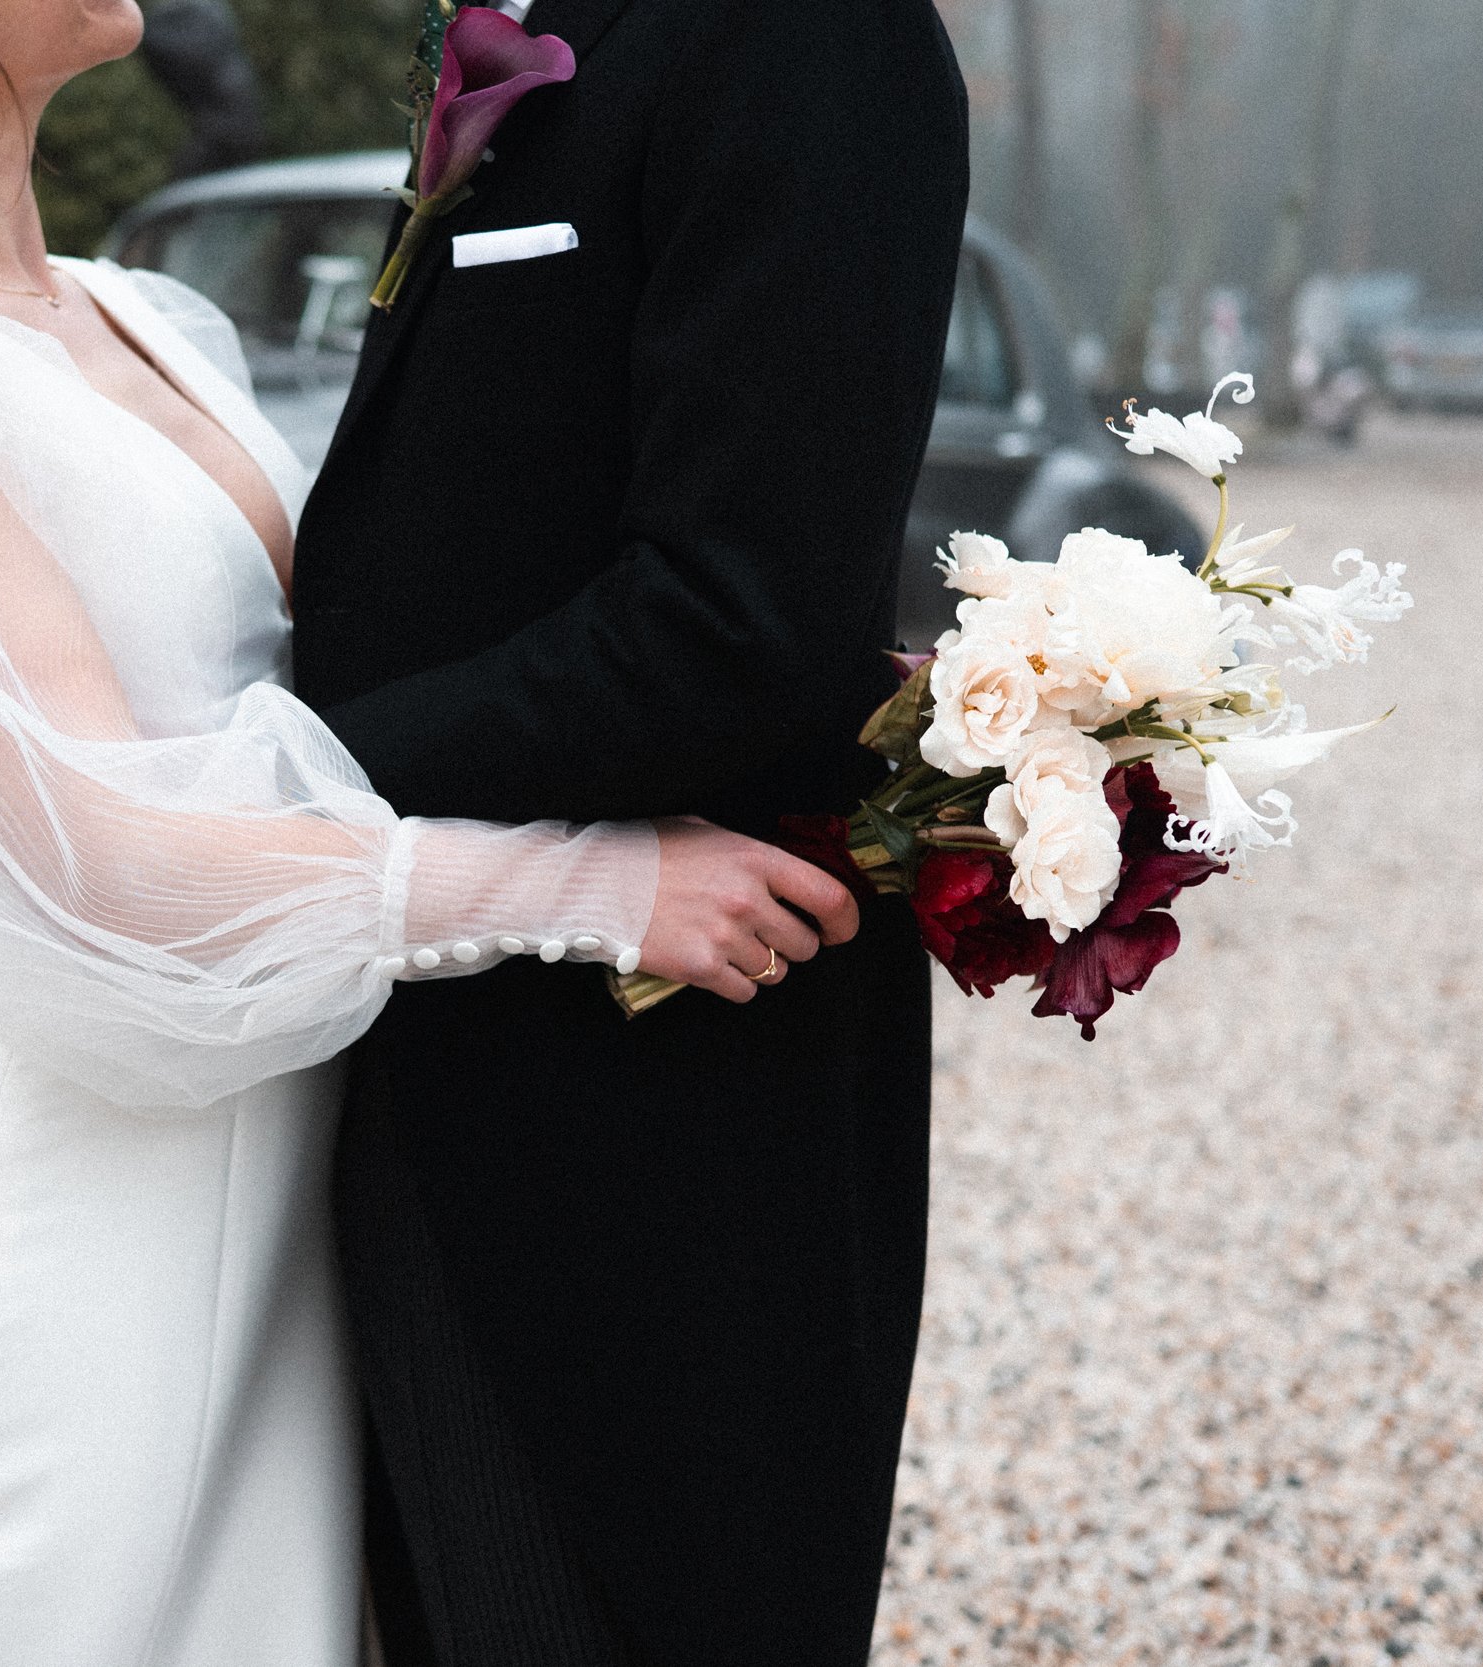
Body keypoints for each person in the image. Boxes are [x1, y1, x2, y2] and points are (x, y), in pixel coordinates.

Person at [0, 0, 860, 1663]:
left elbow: (341, 670)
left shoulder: (126, 311)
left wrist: (846, 691)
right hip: (59, 1180)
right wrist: (585, 886)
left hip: (274, 1140)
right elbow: (87, 858)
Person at [291, 2, 971, 1662]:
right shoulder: (561, 26)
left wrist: (293, 787)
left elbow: (735, 619)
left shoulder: (816, 39)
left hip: (643, 1149)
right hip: (443, 1050)